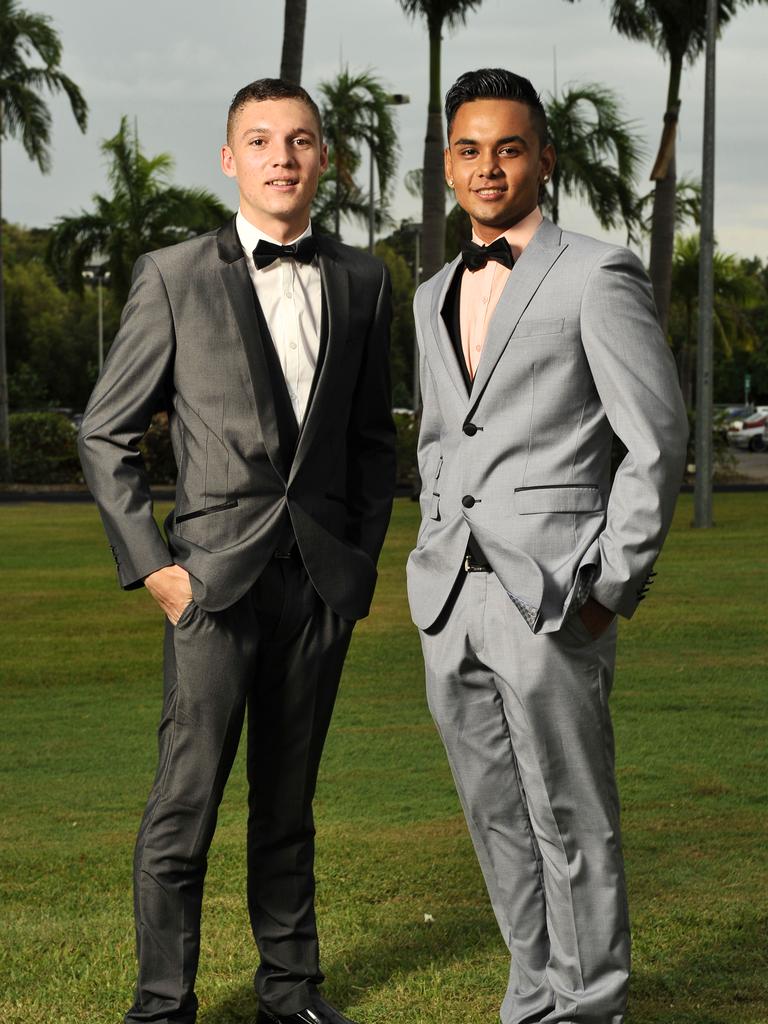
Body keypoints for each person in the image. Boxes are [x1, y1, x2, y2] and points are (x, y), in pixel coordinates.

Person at [78, 78, 396, 1024]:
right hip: (209, 586)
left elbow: (376, 443)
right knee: (186, 804)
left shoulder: (366, 280)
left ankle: (291, 992)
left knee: (288, 804)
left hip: (319, 587)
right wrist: (157, 569)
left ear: (323, 158)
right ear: (231, 159)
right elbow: (105, 433)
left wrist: (357, 563)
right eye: (260, 141)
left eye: (300, 140)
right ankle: (162, 1003)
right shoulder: (171, 274)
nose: (282, 157)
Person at [406, 68, 688, 1024]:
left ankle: (590, 1005)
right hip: (451, 597)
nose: (489, 168)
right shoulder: (432, 292)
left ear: (544, 159)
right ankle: (532, 996)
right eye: (470, 149)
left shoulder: (596, 272)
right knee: (494, 818)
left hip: (555, 592)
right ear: (449, 163)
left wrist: (613, 580)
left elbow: (655, 439)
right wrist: (429, 550)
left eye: (510, 147)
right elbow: (442, 441)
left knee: (572, 817)